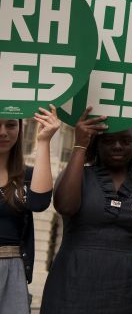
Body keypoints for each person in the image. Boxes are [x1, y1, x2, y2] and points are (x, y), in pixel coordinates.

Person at [41, 108, 132, 313]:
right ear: (97, 143)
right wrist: (79, 145)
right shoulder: (78, 177)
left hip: (125, 294)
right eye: (108, 141)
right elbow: (64, 206)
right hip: (71, 287)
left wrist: (128, 264)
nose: (117, 146)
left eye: (125, 141)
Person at [0, 106, 60, 314]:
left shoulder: (27, 175)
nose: (3, 132)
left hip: (12, 268)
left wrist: (44, 141)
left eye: (10, 125)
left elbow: (39, 203)